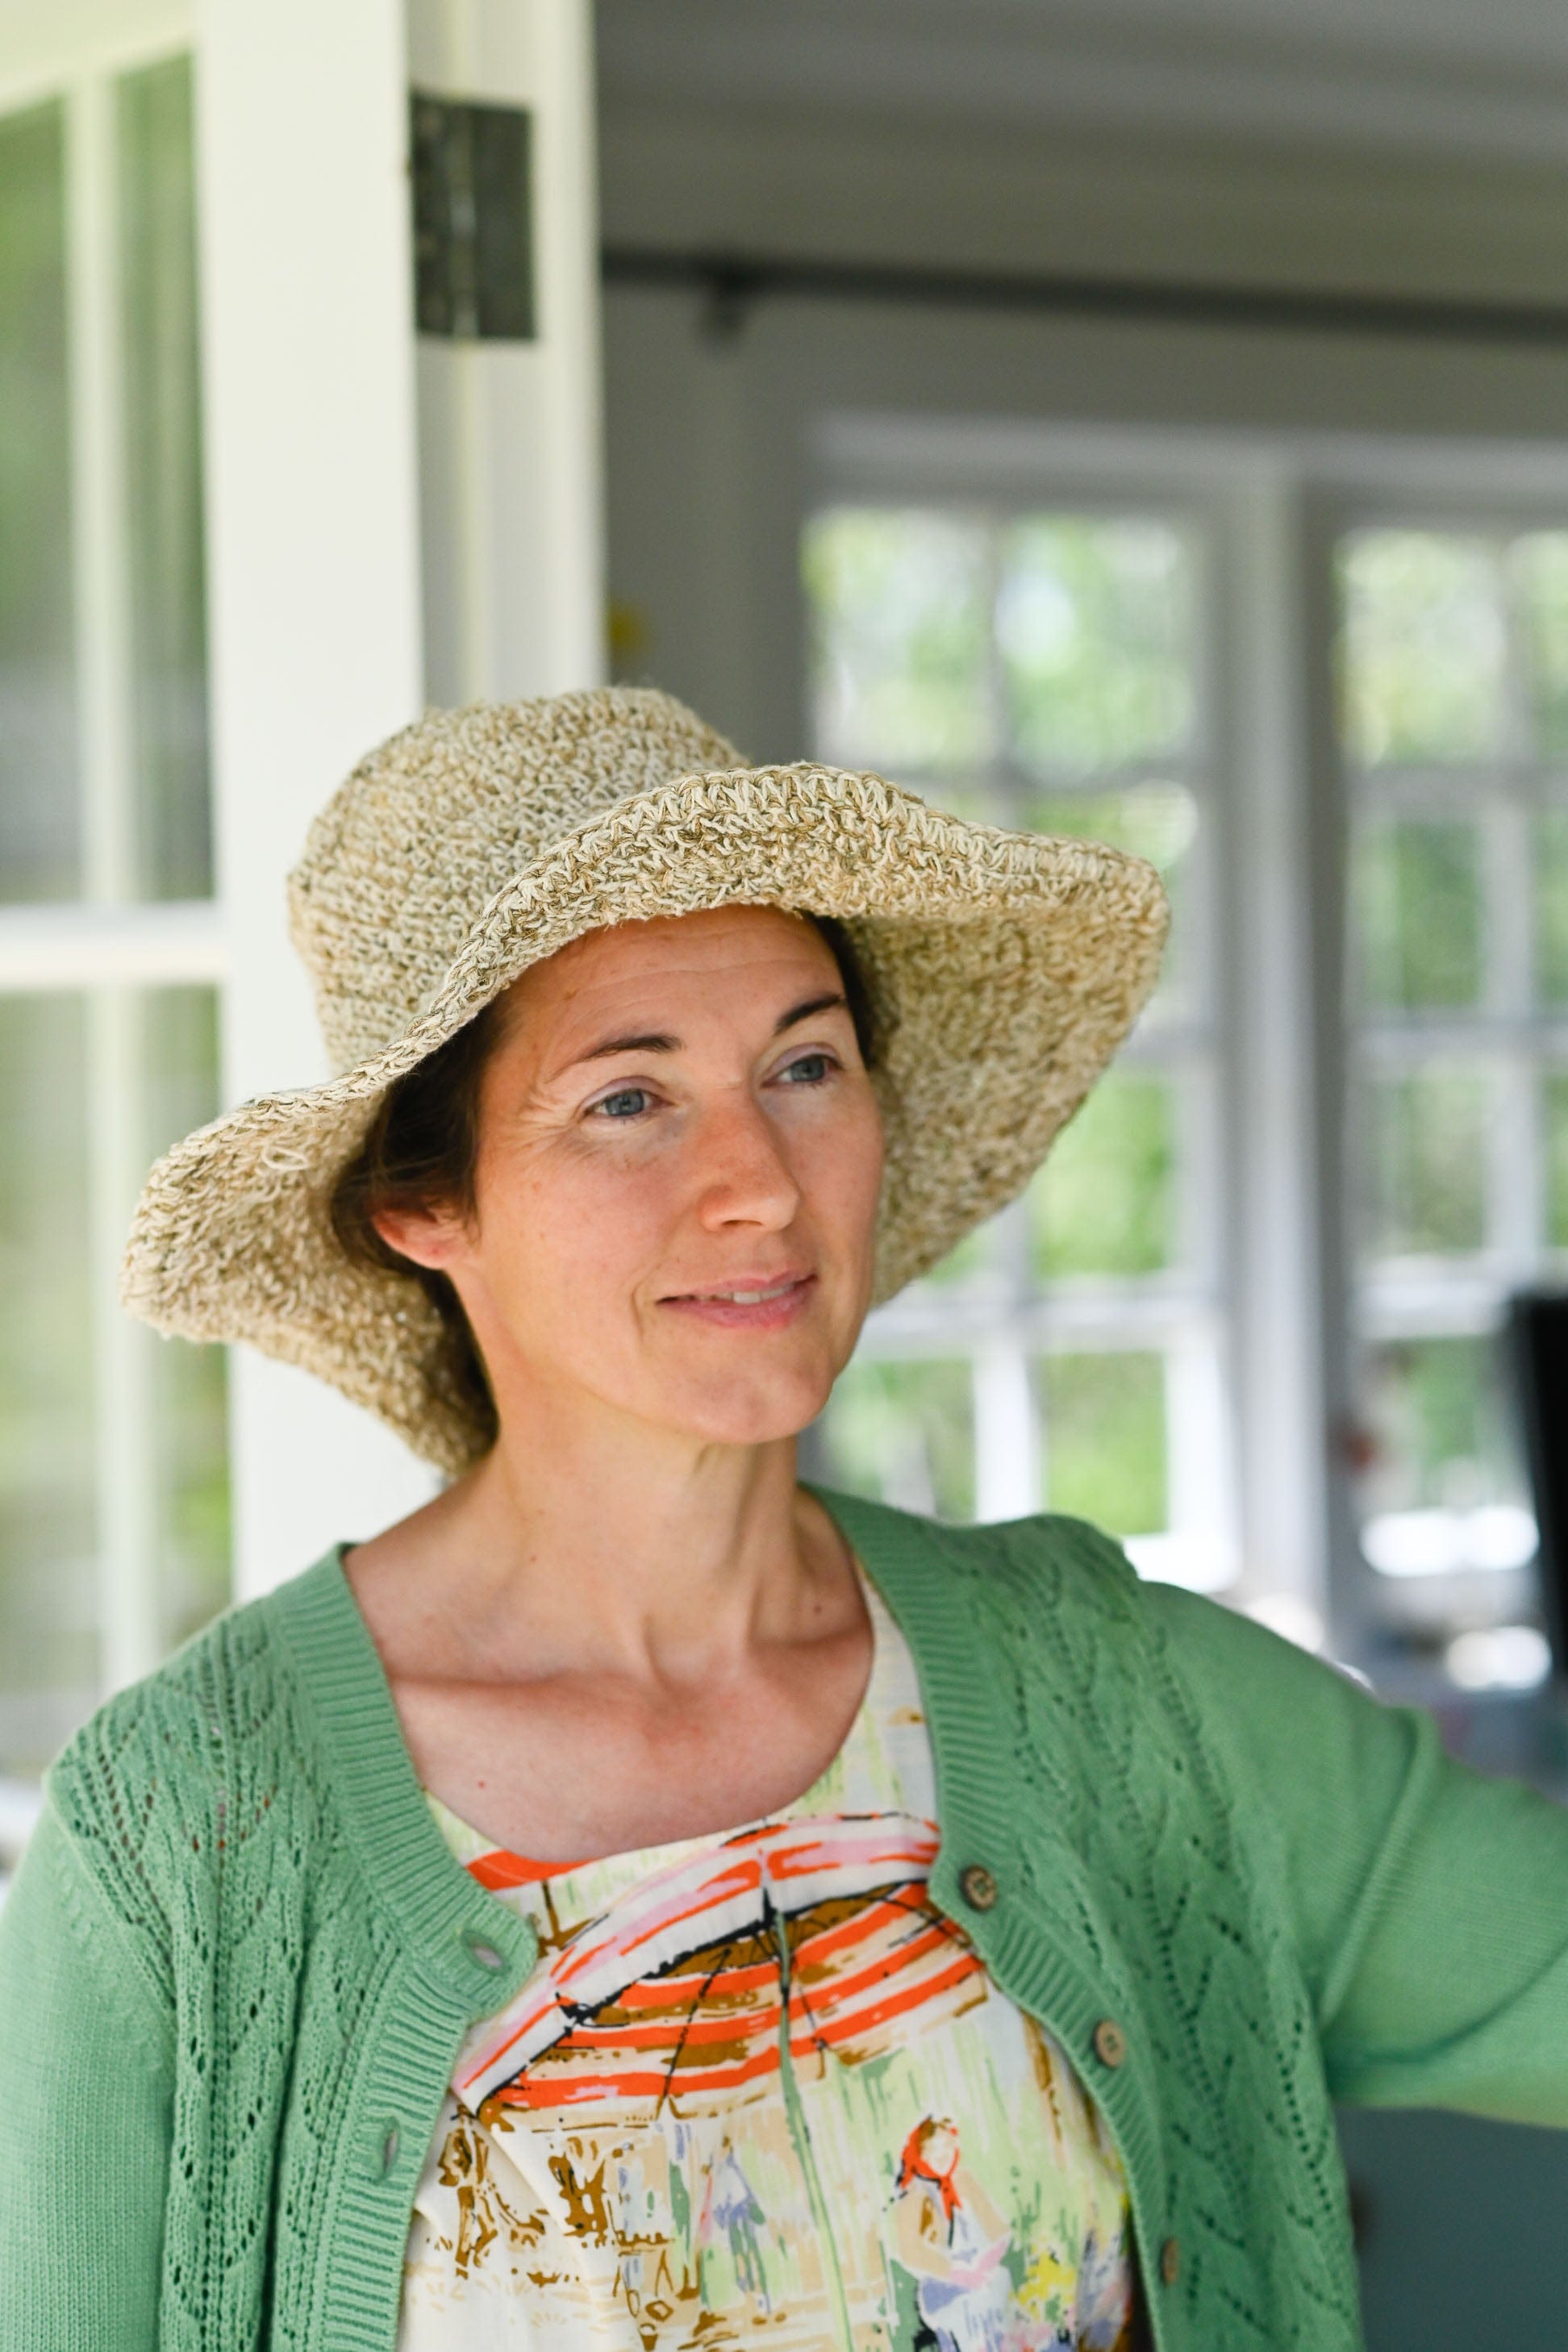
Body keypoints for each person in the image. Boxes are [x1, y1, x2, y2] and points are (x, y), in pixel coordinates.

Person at [1, 686, 1566, 2352]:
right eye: (629, 1097)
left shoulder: (1117, 1693)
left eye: (805, 1063)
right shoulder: (184, 1832)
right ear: (425, 1204)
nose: (760, 1175)